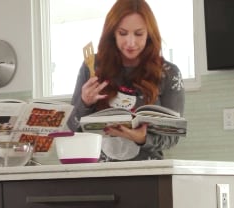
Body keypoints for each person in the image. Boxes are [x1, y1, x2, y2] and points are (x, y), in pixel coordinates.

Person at [67, 0, 184, 161]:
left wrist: (142, 138)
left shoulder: (169, 73)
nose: (130, 42)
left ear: (149, 34)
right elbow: (72, 127)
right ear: (112, 33)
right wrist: (84, 102)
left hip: (149, 171)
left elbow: (173, 136)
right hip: (99, 170)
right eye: (122, 33)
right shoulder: (92, 66)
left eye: (138, 34)